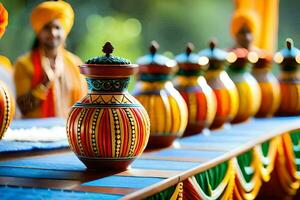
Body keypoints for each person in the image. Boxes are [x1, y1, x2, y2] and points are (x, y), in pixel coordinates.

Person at [14, 1, 86, 118]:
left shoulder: (75, 64)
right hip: (33, 132)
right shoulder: (24, 64)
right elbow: (23, 108)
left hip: (66, 131)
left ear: (65, 32)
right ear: (38, 32)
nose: (53, 33)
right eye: (47, 28)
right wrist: (45, 83)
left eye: (57, 28)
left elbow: (83, 104)